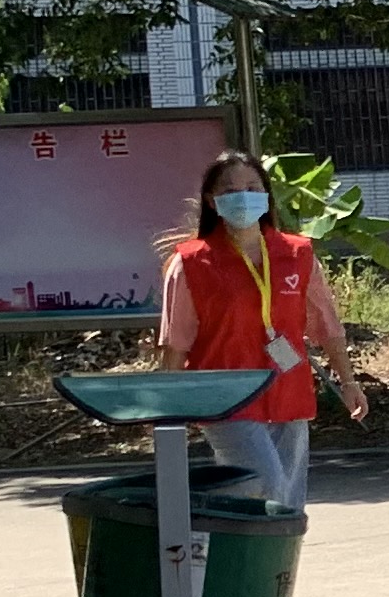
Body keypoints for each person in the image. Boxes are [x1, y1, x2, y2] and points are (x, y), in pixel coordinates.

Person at [153, 151, 370, 514]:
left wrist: (348, 382)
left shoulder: (297, 254)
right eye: (230, 190)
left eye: (252, 187)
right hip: (225, 398)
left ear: (266, 196)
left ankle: (261, 554)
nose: (243, 197)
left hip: (287, 388)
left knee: (289, 503)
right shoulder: (190, 262)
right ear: (212, 200)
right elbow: (175, 341)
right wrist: (167, 410)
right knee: (264, 487)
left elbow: (327, 326)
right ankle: (226, 543)